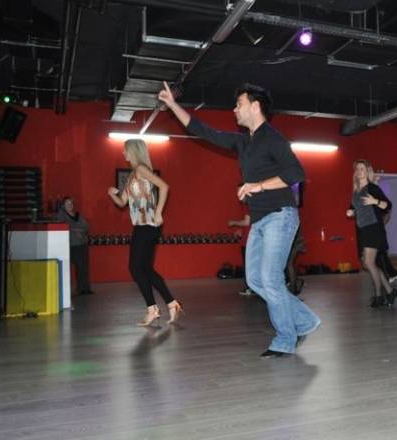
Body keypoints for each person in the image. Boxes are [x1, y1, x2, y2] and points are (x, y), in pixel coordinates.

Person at [158, 81, 320, 358]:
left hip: (280, 216)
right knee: (255, 280)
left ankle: (285, 339)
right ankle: (305, 320)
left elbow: (296, 173)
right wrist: (173, 105)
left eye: (239, 104)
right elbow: (203, 131)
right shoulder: (244, 142)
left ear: (255, 107)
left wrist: (258, 185)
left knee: (270, 279)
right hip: (260, 220)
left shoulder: (273, 139)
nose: (234, 109)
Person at [107, 139, 183, 326]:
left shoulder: (141, 169)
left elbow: (164, 186)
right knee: (145, 269)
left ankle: (153, 309)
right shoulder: (133, 175)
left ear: (133, 151)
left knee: (135, 268)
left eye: (125, 150)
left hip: (148, 224)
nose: (123, 153)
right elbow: (122, 202)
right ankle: (171, 304)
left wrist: (158, 212)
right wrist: (112, 194)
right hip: (141, 225)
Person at [346, 160, 397, 308]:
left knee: (369, 263)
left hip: (373, 228)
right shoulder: (356, 191)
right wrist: (351, 212)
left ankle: (378, 296)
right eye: (357, 169)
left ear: (367, 171)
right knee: (367, 263)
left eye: (362, 168)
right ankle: (390, 291)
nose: (359, 171)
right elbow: (354, 208)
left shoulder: (373, 188)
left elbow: (388, 205)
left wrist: (375, 201)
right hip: (362, 230)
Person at [57, 196, 94, 296]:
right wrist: (78, 230)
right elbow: (64, 227)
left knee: (83, 267)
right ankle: (69, 290)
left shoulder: (78, 215)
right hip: (69, 245)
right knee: (68, 269)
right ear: (63, 206)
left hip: (81, 244)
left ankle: (84, 288)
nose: (70, 205)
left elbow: (86, 227)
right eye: (67, 204)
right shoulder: (61, 215)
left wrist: (76, 230)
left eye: (71, 203)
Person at [227, 209, 255, 296]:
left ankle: (250, 288)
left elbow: (247, 222)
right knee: (251, 266)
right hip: (250, 241)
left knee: (248, 267)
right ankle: (253, 288)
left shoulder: (248, 207)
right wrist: (242, 231)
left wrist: (233, 222)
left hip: (248, 242)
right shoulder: (252, 208)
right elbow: (249, 224)